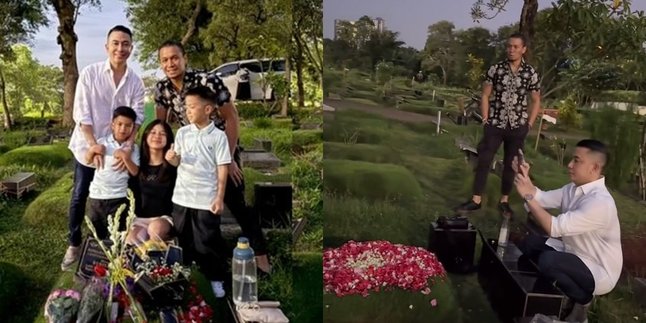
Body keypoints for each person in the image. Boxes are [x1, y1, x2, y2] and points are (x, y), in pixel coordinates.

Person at [154, 40, 271, 273]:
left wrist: (228, 158)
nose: (171, 63)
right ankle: (190, 257)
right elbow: (162, 125)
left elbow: (231, 118)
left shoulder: (207, 81)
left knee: (237, 200)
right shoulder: (162, 89)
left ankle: (261, 258)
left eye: (175, 58)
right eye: (165, 60)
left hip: (219, 146)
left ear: (184, 58)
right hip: (190, 154)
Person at [62, 25, 145, 271]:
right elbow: (82, 113)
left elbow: (137, 117)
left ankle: (124, 244)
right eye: (116, 43)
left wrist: (129, 146)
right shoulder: (90, 73)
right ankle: (74, 243)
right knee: (80, 194)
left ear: (131, 47)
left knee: (127, 193)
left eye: (126, 44)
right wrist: (93, 145)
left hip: (119, 149)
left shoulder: (136, 82)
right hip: (89, 147)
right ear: (107, 46)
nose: (121, 48)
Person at [513, 139, 622, 323]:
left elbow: (554, 227)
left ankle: (582, 301)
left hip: (598, 269)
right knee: (530, 244)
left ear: (594, 168)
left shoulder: (600, 203)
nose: (570, 165)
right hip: (574, 252)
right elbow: (541, 198)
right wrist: (524, 178)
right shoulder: (573, 189)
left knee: (549, 261)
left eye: (577, 161)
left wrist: (528, 195)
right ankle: (540, 296)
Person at [455, 32, 541, 217]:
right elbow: (485, 94)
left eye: (516, 47)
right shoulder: (496, 69)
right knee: (484, 159)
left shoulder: (530, 73)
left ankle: (504, 201)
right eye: (509, 46)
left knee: (511, 164)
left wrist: (530, 123)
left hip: (518, 126)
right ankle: (476, 199)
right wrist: (486, 119)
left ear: (523, 49)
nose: (511, 49)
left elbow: (535, 100)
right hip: (495, 122)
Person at [165, 86, 231, 298]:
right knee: (183, 241)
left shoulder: (218, 136)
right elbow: (177, 161)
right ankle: (184, 277)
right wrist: (172, 158)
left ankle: (216, 277)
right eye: (186, 107)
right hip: (182, 198)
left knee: (207, 242)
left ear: (208, 109)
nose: (188, 111)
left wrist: (219, 197)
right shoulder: (183, 133)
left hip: (206, 200)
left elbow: (222, 169)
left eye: (192, 107)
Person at [86, 106, 140, 239]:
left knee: (118, 234)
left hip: (119, 196)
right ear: (112, 125)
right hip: (97, 196)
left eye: (128, 125)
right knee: (96, 234)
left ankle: (116, 259)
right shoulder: (102, 142)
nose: (123, 129)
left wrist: (126, 157)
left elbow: (135, 172)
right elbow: (88, 161)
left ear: (133, 128)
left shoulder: (134, 148)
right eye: (120, 124)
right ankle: (95, 258)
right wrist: (93, 151)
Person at [127, 120, 177, 244]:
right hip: (140, 219)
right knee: (131, 241)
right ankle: (144, 262)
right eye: (153, 132)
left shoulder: (173, 164)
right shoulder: (137, 165)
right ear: (146, 136)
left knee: (155, 230)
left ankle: (162, 257)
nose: (157, 136)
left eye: (162, 134)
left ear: (168, 139)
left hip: (163, 218)